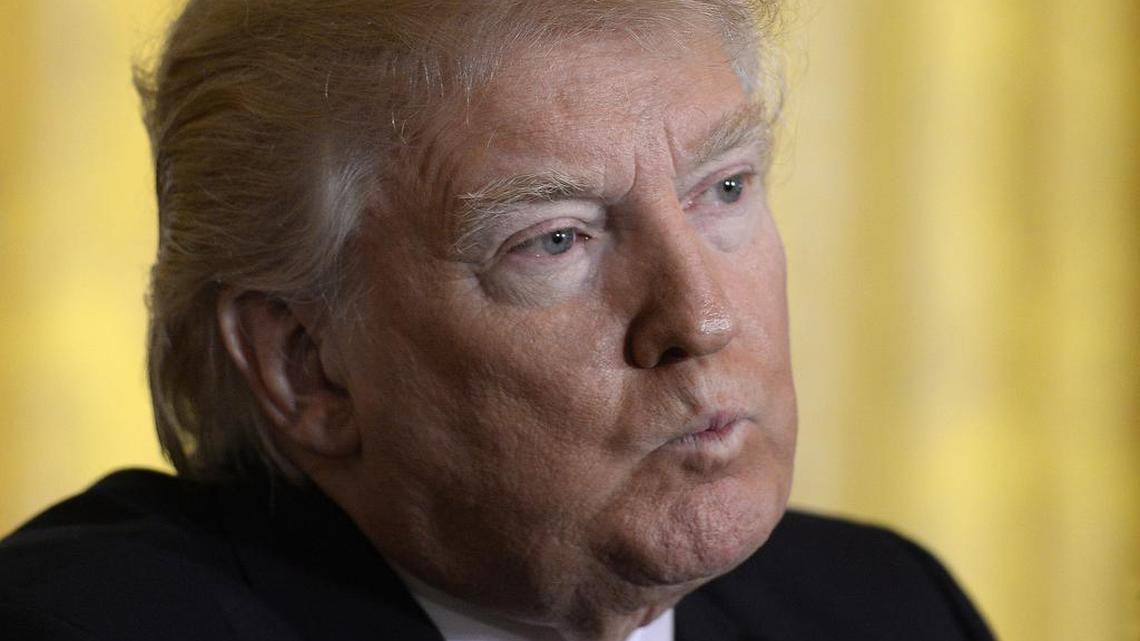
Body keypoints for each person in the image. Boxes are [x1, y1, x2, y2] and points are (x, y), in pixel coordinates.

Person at [0, 2, 995, 640]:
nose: (701, 316)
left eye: (724, 187)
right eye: (557, 239)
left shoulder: (884, 606)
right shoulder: (88, 621)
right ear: (308, 365)